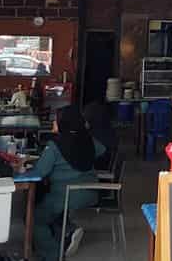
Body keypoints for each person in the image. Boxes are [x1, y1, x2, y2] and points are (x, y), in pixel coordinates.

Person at [18, 105, 106, 260]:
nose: (53, 124)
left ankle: (52, 255)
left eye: (55, 121)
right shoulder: (88, 139)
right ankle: (68, 231)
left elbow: (39, 173)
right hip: (91, 191)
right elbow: (102, 151)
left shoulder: (55, 146)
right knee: (51, 211)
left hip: (66, 194)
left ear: (62, 123)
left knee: (34, 217)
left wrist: (21, 170)